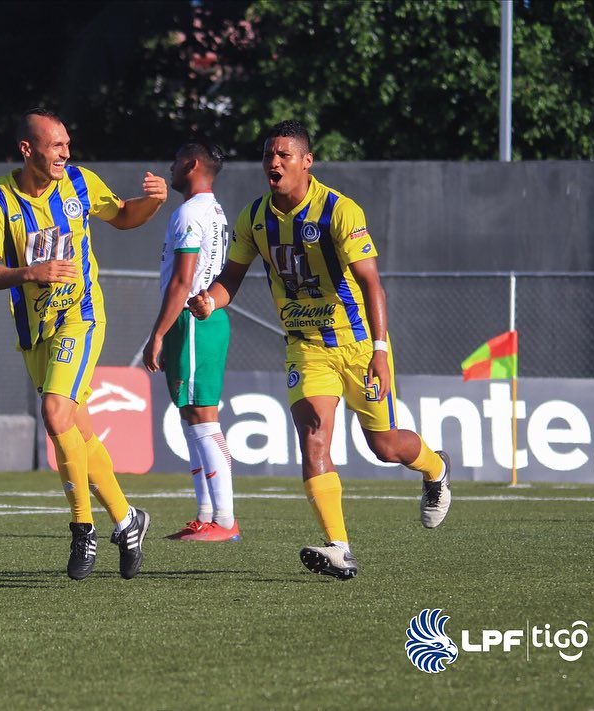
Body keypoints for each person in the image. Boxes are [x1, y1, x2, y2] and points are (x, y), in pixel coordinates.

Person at [188, 120, 452, 580]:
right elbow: (232, 276)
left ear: (306, 162)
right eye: (268, 154)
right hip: (306, 348)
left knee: (385, 446)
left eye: (284, 155)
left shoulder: (339, 211)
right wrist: (211, 299)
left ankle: (435, 468)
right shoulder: (254, 217)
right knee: (313, 437)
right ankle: (339, 548)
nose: (273, 162)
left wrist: (380, 350)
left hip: (357, 345)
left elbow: (371, 284)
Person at [0, 108, 166, 580]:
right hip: (34, 330)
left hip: (80, 317)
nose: (65, 153)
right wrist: (29, 272)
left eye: (67, 144)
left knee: (55, 413)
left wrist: (153, 202)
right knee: (77, 430)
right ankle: (127, 519)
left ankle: (83, 529)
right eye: (56, 145)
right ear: (27, 149)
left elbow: (124, 216)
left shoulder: (80, 182)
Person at [142, 140, 238, 542]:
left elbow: (184, 279)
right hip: (200, 319)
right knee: (191, 415)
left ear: (193, 164)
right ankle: (206, 514)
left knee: (203, 415)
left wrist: (158, 333)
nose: (171, 166)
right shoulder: (214, 210)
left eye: (177, 160)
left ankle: (225, 521)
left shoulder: (189, 212)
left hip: (193, 320)